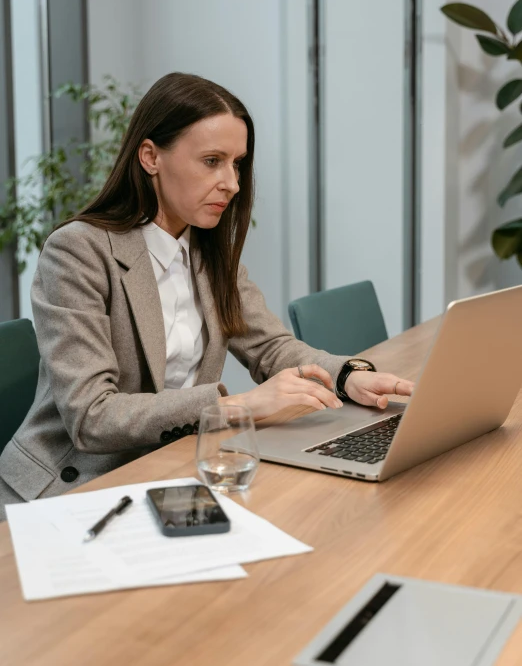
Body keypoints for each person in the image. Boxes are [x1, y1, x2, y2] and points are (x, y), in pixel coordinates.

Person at [0, 73, 413, 520]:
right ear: (150, 156)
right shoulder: (79, 250)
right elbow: (92, 417)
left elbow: (269, 346)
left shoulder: (205, 249)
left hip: (165, 471)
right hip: (70, 490)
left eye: (237, 163)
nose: (232, 183)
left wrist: (346, 376)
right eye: (212, 161)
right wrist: (236, 406)